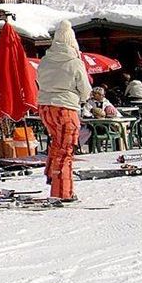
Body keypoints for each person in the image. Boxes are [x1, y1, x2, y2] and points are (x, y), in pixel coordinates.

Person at [37, 21, 94, 201]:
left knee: (56, 144)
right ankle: (62, 192)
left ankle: (51, 176)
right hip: (66, 108)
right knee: (65, 150)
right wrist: (82, 98)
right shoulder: (74, 62)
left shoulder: (45, 60)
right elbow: (85, 89)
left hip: (45, 107)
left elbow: (39, 82)